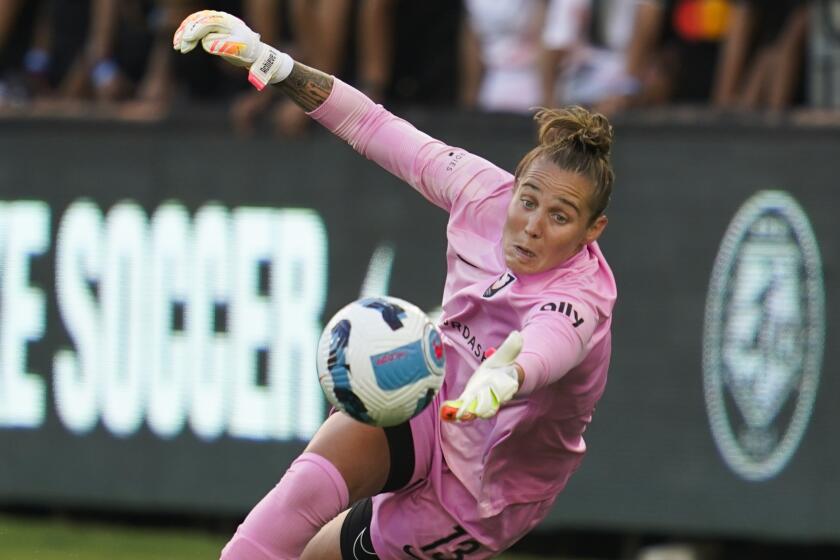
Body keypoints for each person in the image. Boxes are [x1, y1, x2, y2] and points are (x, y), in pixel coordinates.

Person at [174, 10, 617, 559]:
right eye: (528, 201)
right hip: (426, 401)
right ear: (515, 187)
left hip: (479, 495)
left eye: (560, 215)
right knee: (291, 505)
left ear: (592, 229)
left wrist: (508, 376)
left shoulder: (582, 296)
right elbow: (375, 127)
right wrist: (272, 63)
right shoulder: (482, 193)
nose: (531, 224)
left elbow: (552, 344)